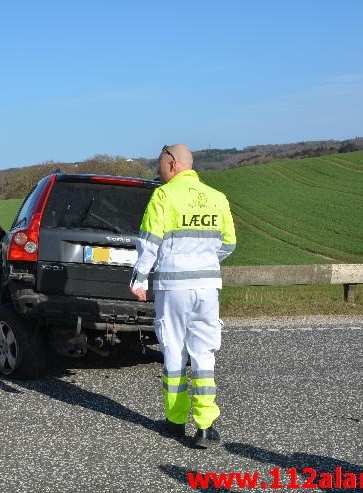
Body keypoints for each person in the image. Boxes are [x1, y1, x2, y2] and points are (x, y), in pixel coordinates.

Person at [130, 143, 236, 448]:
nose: (158, 170)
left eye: (161, 164)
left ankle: (175, 421)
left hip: (173, 287)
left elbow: (150, 241)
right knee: (204, 354)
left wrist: (139, 278)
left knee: (174, 351)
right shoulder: (218, 198)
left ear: (173, 163)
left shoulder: (164, 196)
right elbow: (228, 243)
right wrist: (203, 260)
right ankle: (206, 426)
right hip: (207, 287)